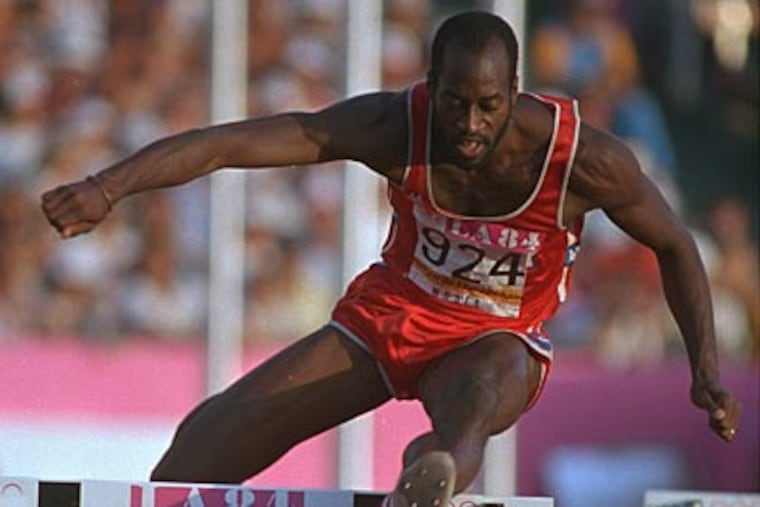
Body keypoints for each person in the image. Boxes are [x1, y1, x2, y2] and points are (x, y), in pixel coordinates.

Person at [40, 11, 741, 507]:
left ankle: (425, 484)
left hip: (497, 334)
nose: (469, 126)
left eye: (489, 107)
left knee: (467, 413)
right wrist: (109, 185)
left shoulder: (582, 158)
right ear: (430, 83)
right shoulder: (391, 124)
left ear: (517, 89)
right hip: (389, 317)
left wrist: (704, 367)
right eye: (456, 103)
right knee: (203, 447)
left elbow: (675, 244)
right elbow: (233, 143)